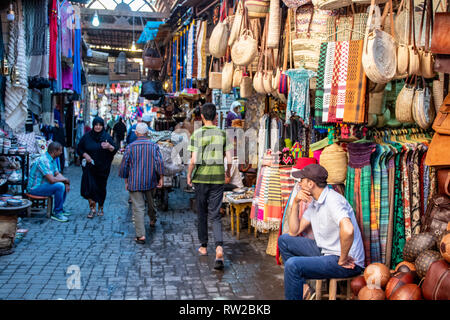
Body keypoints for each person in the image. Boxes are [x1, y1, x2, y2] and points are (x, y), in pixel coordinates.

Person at [278, 164, 365, 300]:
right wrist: (295, 203)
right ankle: (304, 289)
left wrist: (342, 259)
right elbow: (294, 231)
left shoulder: (333, 200)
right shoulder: (315, 202)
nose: (299, 183)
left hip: (347, 261)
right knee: (284, 240)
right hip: (327, 251)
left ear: (311, 184)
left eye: (302, 180)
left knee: (292, 265)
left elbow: (348, 230)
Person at [187, 103, 233, 270]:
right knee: (215, 214)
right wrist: (227, 172)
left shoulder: (197, 134)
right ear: (215, 117)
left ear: (202, 117)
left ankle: (204, 246)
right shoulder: (222, 134)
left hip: (201, 179)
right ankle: (219, 247)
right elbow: (229, 157)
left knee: (202, 213)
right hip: (217, 178)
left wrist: (188, 175)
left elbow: (194, 159)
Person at [119, 123, 164, 244]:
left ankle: (141, 235)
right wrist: (161, 178)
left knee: (138, 208)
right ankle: (152, 220)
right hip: (150, 180)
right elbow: (159, 163)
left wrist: (126, 180)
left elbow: (124, 166)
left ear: (136, 133)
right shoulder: (154, 146)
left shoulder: (130, 147)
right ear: (148, 133)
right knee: (151, 203)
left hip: (135, 181)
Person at [77, 116, 118, 218]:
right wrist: (85, 155)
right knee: (89, 188)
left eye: (100, 125)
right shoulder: (87, 137)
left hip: (103, 168)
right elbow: (79, 148)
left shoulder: (107, 137)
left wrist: (109, 147)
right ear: (93, 125)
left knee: (100, 188)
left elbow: (114, 149)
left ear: (103, 126)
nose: (98, 127)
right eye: (96, 125)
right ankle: (92, 208)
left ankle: (100, 207)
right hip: (90, 167)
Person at [27, 142, 71, 222]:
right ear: (54, 151)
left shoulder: (52, 159)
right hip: (35, 188)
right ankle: (57, 213)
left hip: (43, 185)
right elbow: (52, 179)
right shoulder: (43, 160)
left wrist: (66, 182)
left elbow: (57, 174)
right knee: (60, 186)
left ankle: (60, 208)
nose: (61, 153)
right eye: (60, 151)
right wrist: (65, 180)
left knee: (62, 184)